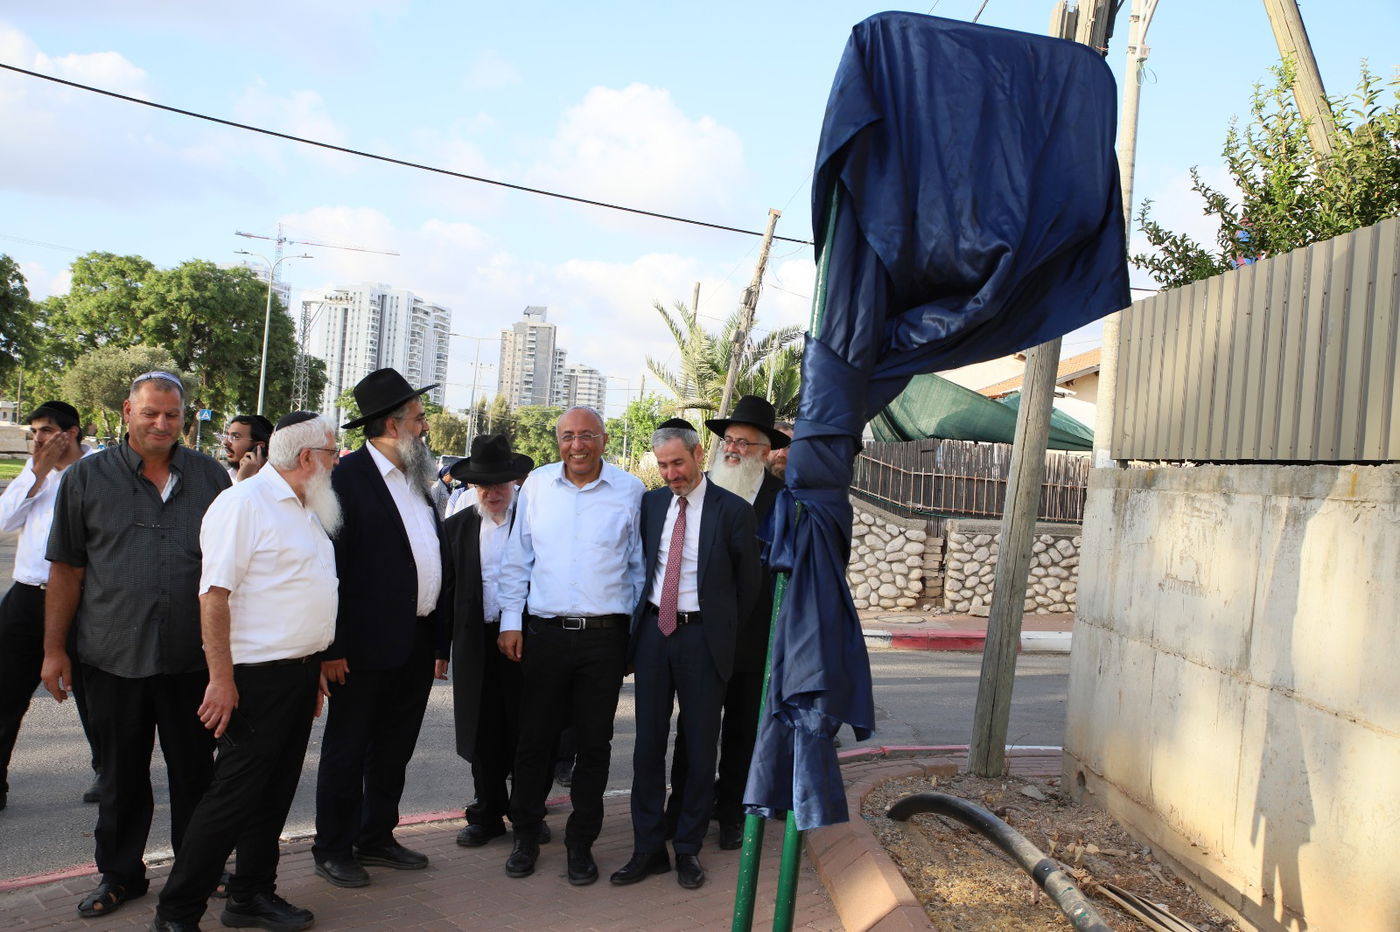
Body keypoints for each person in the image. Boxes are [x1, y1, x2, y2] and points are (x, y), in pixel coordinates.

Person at [42, 371, 230, 920]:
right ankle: (120, 875)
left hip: (191, 659)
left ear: (185, 418)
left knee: (196, 773)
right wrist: (54, 651)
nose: (161, 424)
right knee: (120, 777)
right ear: (128, 412)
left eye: (172, 415)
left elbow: (231, 570)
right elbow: (66, 570)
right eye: (151, 413)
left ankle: (199, 870)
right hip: (111, 656)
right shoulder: (86, 478)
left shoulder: (211, 477)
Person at [151, 412, 341, 932]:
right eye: (332, 454)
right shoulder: (244, 504)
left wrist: (311, 665)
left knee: (274, 795)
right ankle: (176, 913)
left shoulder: (306, 507)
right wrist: (221, 679)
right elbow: (213, 597)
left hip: (298, 674)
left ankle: (251, 894)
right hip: (253, 679)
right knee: (230, 800)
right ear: (307, 457)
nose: (336, 462)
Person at [496, 405, 644, 885]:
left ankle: (581, 843)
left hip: (604, 639)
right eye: (567, 436)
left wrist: (633, 637)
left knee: (594, 745)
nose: (576, 445)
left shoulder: (630, 490)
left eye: (586, 435)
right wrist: (511, 622)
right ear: (557, 440)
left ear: (604, 439)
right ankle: (525, 835)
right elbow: (518, 558)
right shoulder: (537, 486)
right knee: (534, 740)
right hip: (546, 635)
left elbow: (638, 568)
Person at [312, 368, 448, 889]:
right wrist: (332, 647)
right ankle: (333, 846)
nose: (426, 426)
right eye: (419, 418)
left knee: (395, 748)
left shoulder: (417, 480)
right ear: (393, 425)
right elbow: (330, 568)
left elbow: (429, 558)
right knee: (348, 750)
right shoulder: (345, 479)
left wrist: (438, 641)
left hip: (414, 642)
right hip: (360, 648)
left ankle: (376, 835)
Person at [611, 421, 758, 890]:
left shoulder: (733, 511)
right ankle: (648, 848)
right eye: (662, 465)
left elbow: (747, 589)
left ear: (697, 455)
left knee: (699, 748)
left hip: (703, 641)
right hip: (655, 635)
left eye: (677, 462)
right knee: (647, 747)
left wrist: (720, 635)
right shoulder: (651, 504)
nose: (671, 473)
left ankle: (689, 848)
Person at [665, 396, 790, 849]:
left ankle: (732, 810)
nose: (733, 449)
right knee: (694, 728)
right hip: (700, 632)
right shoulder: (698, 490)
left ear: (765, 451)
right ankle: (681, 807)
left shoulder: (781, 501)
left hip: (753, 637)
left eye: (745, 442)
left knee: (742, 729)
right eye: (729, 440)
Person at [0, 400, 100, 811]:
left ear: (70, 432)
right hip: (27, 595)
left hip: (82, 597)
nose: (37, 439)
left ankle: (109, 771)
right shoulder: (34, 473)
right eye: (34, 432)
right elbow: (2, 523)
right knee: (7, 690)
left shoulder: (98, 471)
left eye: (45, 430)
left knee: (94, 694)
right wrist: (36, 475)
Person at [440, 434, 537, 848]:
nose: (493, 493)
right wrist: (439, 649)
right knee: (481, 730)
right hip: (474, 642)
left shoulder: (533, 523)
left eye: (500, 484)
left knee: (527, 729)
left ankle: (527, 812)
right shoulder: (456, 528)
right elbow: (446, 591)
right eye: (484, 486)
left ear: (514, 483)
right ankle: (487, 813)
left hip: (525, 640)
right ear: (473, 487)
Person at [222, 414, 273, 483]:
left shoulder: (276, 481)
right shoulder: (224, 477)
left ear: (259, 446)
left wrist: (244, 481)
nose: (225, 442)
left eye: (235, 437)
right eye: (227, 435)